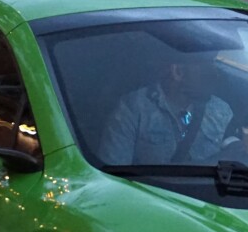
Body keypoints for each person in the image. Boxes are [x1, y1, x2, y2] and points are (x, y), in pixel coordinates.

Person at [98, 55, 233, 165]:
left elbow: (237, 155)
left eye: (212, 63)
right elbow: (113, 174)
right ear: (178, 72)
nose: (214, 73)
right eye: (204, 66)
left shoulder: (221, 111)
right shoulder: (134, 109)